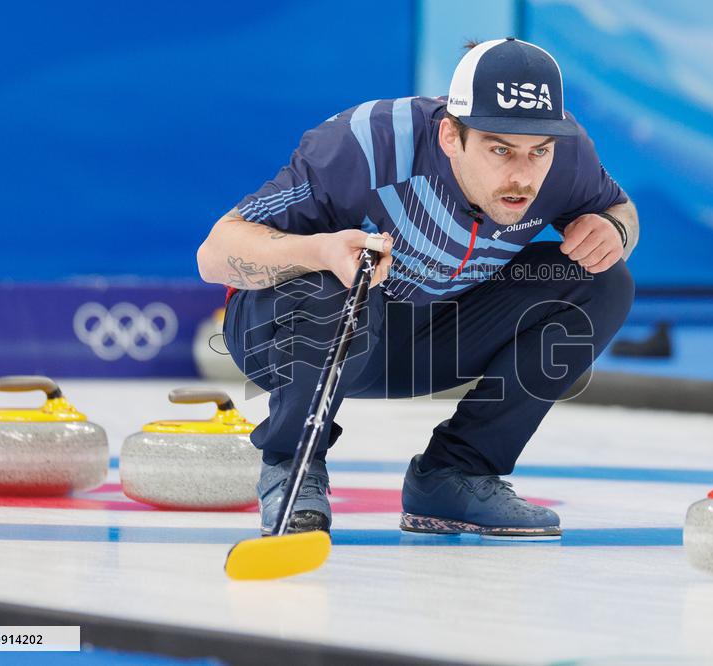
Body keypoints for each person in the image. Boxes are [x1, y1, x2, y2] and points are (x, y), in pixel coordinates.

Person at [196, 38, 638, 539]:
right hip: (288, 335)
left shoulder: (567, 158)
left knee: (601, 279)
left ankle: (455, 475)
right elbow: (214, 254)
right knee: (336, 282)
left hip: (421, 332)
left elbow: (621, 211)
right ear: (451, 135)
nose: (522, 174)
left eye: (539, 151)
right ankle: (292, 466)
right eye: (500, 149)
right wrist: (318, 250)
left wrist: (615, 231)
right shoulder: (363, 147)